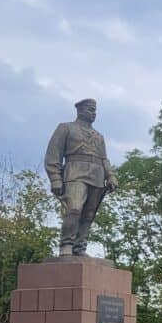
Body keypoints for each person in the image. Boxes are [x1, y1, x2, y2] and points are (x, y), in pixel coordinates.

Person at [44, 98, 118, 257]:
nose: (94, 113)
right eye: (90, 110)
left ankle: (79, 247)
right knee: (74, 208)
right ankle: (66, 245)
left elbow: (104, 158)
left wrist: (110, 175)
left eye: (95, 110)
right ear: (80, 110)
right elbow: (53, 153)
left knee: (89, 215)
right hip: (75, 173)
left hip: (97, 176)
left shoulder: (99, 136)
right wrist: (55, 178)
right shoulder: (66, 128)